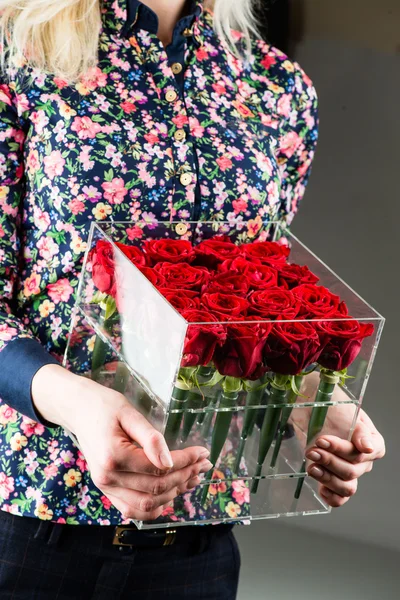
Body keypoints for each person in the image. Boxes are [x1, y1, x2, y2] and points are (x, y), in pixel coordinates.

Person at [0, 0, 385, 597]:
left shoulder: (276, 87)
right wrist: (78, 405)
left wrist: (315, 398)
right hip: (28, 521)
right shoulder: (16, 53)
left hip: (196, 542)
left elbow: (256, 300)